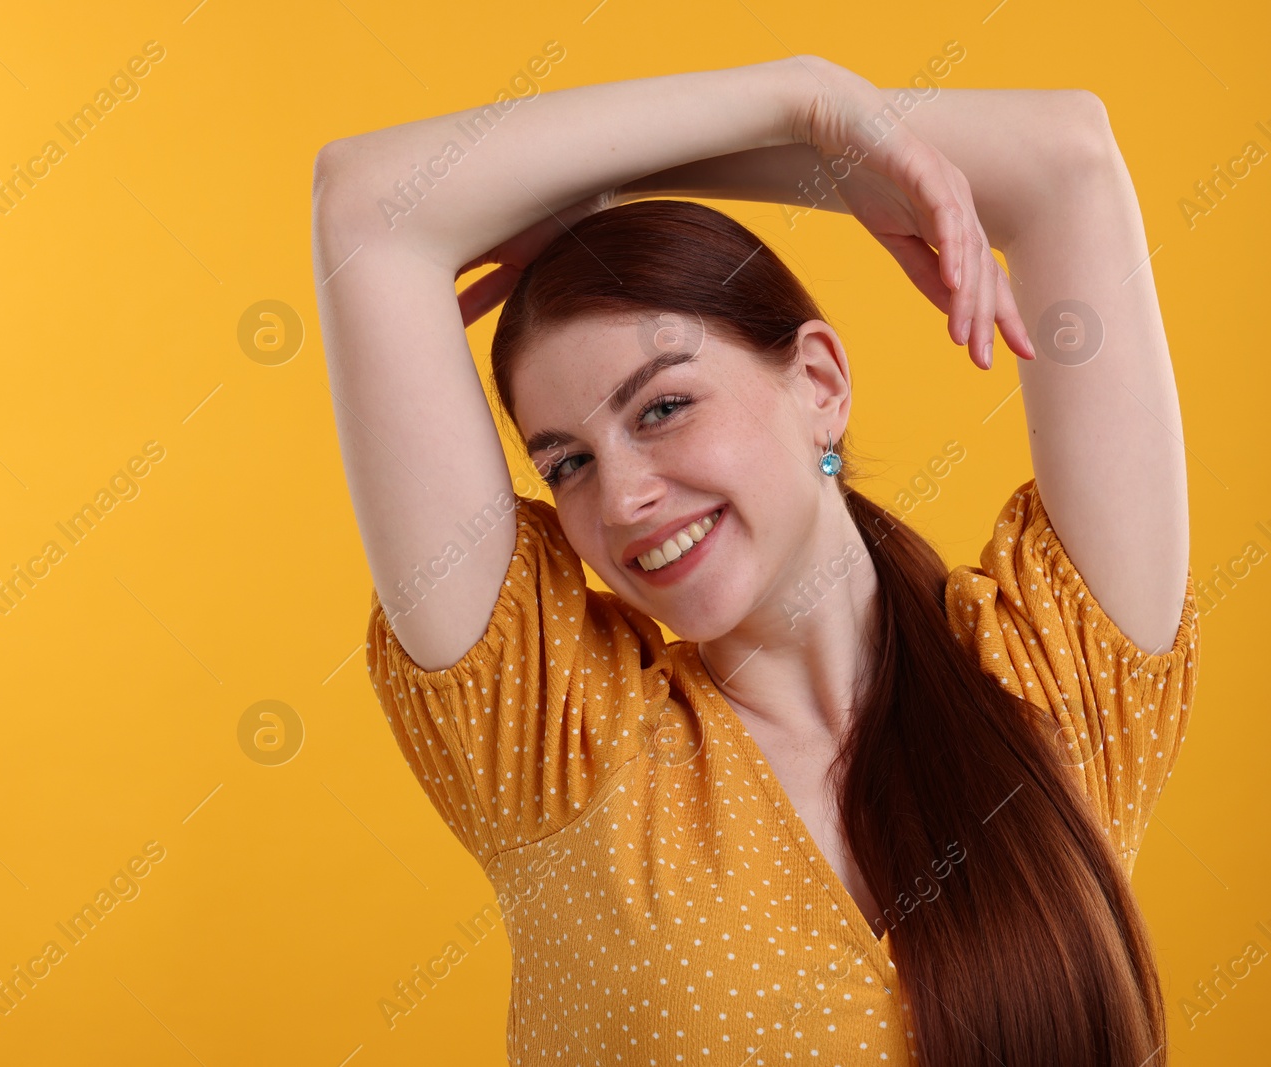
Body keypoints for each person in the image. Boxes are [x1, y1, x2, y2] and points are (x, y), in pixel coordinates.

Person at [311, 54, 1199, 1066]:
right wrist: (793, 105)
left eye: (662, 406)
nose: (622, 495)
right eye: (568, 462)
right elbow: (367, 206)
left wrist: (812, 149)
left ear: (817, 381)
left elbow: (1066, 162)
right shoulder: (560, 739)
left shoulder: (1052, 680)